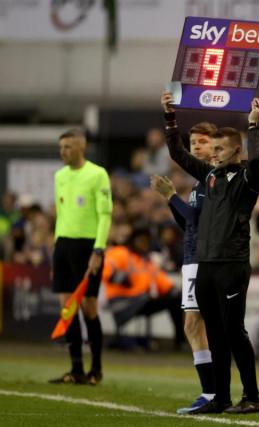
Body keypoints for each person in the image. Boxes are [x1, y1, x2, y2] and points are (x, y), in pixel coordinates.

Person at [162, 91, 259, 414]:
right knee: (217, 334)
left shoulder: (247, 178)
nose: (214, 154)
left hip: (232, 264)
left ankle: (252, 397)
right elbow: (178, 154)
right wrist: (170, 118)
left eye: (220, 149)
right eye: (213, 148)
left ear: (236, 150)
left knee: (234, 331)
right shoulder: (209, 176)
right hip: (206, 265)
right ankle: (220, 398)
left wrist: (253, 127)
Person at [150, 121, 217, 414]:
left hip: (203, 259)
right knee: (196, 325)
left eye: (202, 142)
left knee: (200, 325)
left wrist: (170, 196)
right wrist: (172, 200)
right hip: (192, 257)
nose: (197, 148)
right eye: (193, 144)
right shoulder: (200, 184)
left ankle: (214, 390)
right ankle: (213, 390)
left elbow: (196, 220)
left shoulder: (214, 180)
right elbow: (187, 221)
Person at [49, 128, 112, 385]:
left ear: (81, 147)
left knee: (89, 308)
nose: (63, 152)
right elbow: (61, 215)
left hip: (88, 247)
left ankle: (95, 368)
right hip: (63, 245)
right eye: (61, 147)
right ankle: (76, 369)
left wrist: (98, 250)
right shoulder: (59, 176)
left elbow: (105, 215)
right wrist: (56, 250)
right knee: (68, 308)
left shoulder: (97, 174)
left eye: (68, 147)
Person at [102, 226, 183, 349]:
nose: (143, 244)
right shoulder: (120, 253)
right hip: (121, 300)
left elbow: (160, 279)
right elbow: (105, 270)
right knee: (151, 298)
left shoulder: (145, 260)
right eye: (141, 240)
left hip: (142, 300)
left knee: (176, 299)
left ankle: (180, 341)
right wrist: (120, 278)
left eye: (146, 241)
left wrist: (172, 289)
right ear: (133, 240)